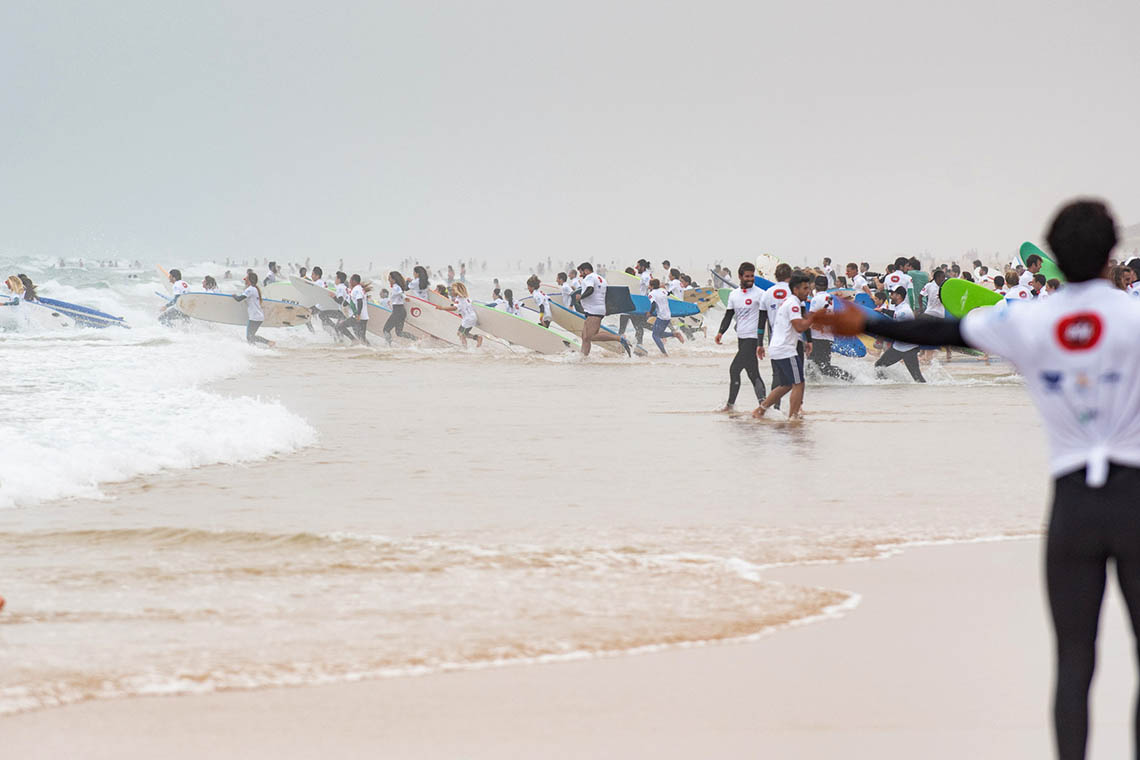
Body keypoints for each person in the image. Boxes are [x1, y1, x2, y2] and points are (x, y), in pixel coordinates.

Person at [816, 198, 1140, 760]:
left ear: (1053, 258)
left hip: (1071, 510)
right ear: (1112, 253)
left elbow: (941, 330)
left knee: (1073, 660)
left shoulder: (1030, 320)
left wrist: (866, 321)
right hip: (1136, 501)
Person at [755, 274, 815, 418]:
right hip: (785, 349)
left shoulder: (789, 302)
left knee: (786, 384)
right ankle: (793, 417)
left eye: (809, 288)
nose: (808, 291)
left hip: (777, 348)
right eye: (805, 288)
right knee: (799, 383)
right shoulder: (793, 304)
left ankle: (760, 411)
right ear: (795, 289)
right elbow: (799, 327)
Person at [715, 262, 767, 412]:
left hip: (753, 338)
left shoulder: (760, 294)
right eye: (747, 276)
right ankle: (763, 405)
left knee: (734, 369)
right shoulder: (734, 295)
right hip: (741, 338)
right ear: (740, 276)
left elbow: (766, 317)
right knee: (752, 373)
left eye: (752, 276)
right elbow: (729, 315)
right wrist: (720, 332)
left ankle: (730, 405)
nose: (750, 279)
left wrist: (761, 341)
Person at [575, 262, 630, 357]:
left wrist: (581, 297)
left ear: (586, 270)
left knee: (591, 336)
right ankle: (583, 358)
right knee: (585, 337)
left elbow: (590, 289)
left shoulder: (590, 277)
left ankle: (619, 338)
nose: (581, 275)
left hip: (593, 311)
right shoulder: (601, 279)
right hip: (597, 309)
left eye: (581, 272)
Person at [873, 287, 925, 382]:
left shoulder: (904, 311)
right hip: (899, 347)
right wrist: (883, 310)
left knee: (917, 378)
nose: (890, 296)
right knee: (879, 366)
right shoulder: (900, 307)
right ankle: (885, 385)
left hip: (908, 349)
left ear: (899, 296)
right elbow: (895, 314)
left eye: (892, 294)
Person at [807, 276, 854, 381]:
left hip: (818, 337)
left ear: (815, 285)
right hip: (827, 336)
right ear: (827, 286)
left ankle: (850, 378)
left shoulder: (816, 299)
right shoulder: (829, 297)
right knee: (812, 365)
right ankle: (815, 386)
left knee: (823, 367)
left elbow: (811, 317)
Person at [231, 272, 275, 347]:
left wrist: (234, 295)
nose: (245, 280)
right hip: (258, 317)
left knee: (250, 337)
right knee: (251, 336)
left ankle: (268, 343)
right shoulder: (255, 289)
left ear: (249, 280)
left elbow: (239, 299)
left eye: (246, 279)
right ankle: (256, 349)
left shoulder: (250, 289)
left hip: (255, 317)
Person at [436, 282, 483, 348]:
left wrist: (442, 308)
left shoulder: (459, 299)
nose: (451, 292)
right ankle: (477, 338)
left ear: (456, 291)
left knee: (461, 334)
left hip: (468, 319)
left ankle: (465, 348)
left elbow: (454, 308)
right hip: (471, 318)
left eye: (452, 290)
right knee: (461, 333)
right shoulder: (466, 298)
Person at [647, 277, 683, 355]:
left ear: (652, 286)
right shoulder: (663, 291)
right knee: (660, 334)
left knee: (655, 335)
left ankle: (664, 354)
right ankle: (675, 334)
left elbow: (653, 305)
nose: (648, 286)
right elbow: (669, 293)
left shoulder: (651, 294)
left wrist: (649, 313)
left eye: (649, 285)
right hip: (668, 316)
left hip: (661, 317)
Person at [382, 272, 417, 345]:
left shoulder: (396, 287)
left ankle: (388, 346)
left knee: (386, 330)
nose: (388, 279)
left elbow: (401, 293)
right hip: (401, 311)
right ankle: (415, 339)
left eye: (390, 278)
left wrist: (405, 298)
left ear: (394, 280)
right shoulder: (397, 286)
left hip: (397, 312)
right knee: (399, 333)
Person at [347, 275, 371, 344]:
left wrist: (358, 314)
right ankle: (370, 349)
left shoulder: (357, 289)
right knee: (361, 337)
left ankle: (354, 340)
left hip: (358, 317)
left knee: (340, 326)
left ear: (354, 281)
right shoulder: (360, 289)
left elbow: (359, 301)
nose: (350, 282)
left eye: (351, 280)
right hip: (363, 317)